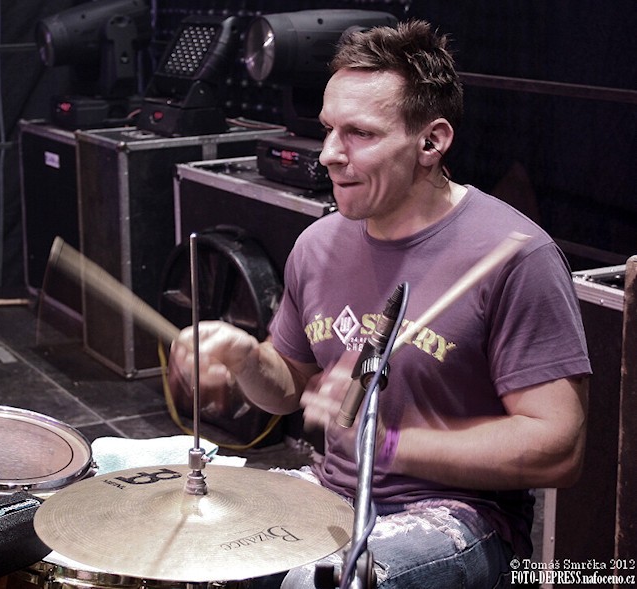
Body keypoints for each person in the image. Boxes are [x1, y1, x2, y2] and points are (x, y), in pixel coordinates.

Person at [169, 19, 590, 588]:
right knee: (191, 546)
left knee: (315, 583)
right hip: (335, 490)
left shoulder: (516, 256)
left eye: (359, 134)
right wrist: (247, 358)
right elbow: (288, 387)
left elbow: (558, 448)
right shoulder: (319, 245)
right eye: (328, 129)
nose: (328, 155)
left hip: (460, 517)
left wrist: (386, 442)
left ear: (431, 142)